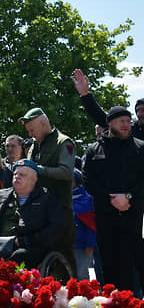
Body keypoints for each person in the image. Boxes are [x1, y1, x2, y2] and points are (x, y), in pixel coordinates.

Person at [82, 106, 144, 294]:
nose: (126, 125)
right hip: (106, 220)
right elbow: (88, 181)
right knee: (111, 270)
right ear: (109, 124)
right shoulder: (94, 150)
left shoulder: (141, 147)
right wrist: (111, 198)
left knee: (139, 265)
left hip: (135, 220)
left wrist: (128, 197)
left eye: (128, 121)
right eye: (121, 121)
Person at [0, 160, 68, 269]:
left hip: (29, 246)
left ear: (33, 180)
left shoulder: (46, 199)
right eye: (15, 174)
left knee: (20, 256)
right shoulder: (0, 195)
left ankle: (14, 286)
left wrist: (26, 241)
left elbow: (57, 228)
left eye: (22, 175)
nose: (17, 177)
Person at [20, 108, 76, 255]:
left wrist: (38, 169)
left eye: (32, 130)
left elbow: (66, 172)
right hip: (39, 211)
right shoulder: (34, 145)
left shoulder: (63, 142)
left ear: (44, 124)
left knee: (63, 258)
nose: (30, 135)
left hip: (60, 210)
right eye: (29, 131)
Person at [72, 68, 144, 141]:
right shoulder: (132, 129)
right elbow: (102, 118)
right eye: (138, 110)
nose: (139, 114)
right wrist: (85, 95)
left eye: (143, 110)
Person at [72, 169, 97, 281]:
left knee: (81, 275)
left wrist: (90, 245)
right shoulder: (61, 198)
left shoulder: (86, 200)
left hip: (81, 246)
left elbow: (91, 226)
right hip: (66, 245)